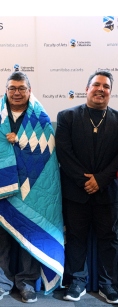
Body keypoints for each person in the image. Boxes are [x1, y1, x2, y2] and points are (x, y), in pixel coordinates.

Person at [0, 71, 63, 303]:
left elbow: (46, 151)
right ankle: (3, 283)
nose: (17, 93)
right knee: (1, 237)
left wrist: (21, 141)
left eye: (21, 88)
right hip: (0, 188)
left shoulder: (41, 117)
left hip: (32, 189)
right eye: (12, 88)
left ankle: (27, 283)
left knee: (30, 234)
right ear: (5, 91)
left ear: (29, 90)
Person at [57, 70, 118, 303]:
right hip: (75, 191)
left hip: (108, 191)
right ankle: (76, 282)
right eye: (96, 85)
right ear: (87, 89)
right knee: (75, 237)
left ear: (110, 92)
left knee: (109, 238)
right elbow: (64, 152)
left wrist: (100, 180)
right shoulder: (67, 117)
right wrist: (85, 181)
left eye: (106, 86)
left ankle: (108, 285)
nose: (101, 89)